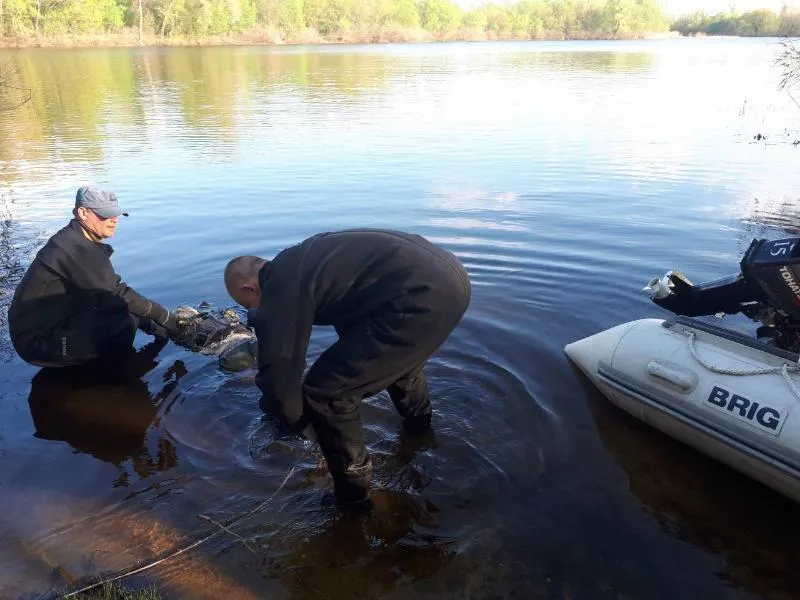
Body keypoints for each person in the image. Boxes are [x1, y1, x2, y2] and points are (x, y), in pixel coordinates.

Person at [224, 228, 471, 507]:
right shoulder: (303, 260)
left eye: (249, 306)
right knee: (399, 367)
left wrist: (297, 423)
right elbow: (353, 317)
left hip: (420, 296)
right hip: (449, 278)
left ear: (249, 289)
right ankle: (420, 433)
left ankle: (353, 495)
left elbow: (280, 369)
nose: (257, 311)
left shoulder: (279, 287)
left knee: (327, 392)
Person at [9, 186, 186, 370]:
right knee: (122, 323)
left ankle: (152, 342)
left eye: (115, 214)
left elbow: (108, 296)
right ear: (82, 212)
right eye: (105, 215)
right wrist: (167, 318)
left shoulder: (75, 239)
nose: (113, 220)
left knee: (122, 308)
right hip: (37, 343)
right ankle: (116, 380)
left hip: (53, 324)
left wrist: (158, 328)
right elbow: (117, 294)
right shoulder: (73, 248)